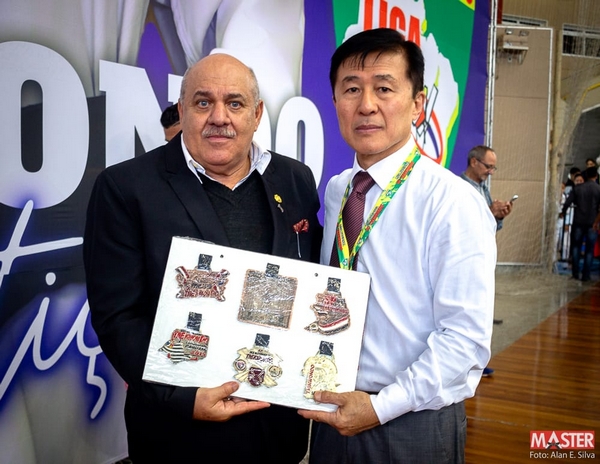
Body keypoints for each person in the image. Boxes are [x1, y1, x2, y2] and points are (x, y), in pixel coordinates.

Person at [84, 53, 322, 463]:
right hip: (179, 434)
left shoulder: (295, 178)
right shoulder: (125, 187)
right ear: (182, 110)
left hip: (277, 429)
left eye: (234, 103)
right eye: (203, 102)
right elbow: (117, 317)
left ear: (256, 114)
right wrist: (180, 397)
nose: (219, 117)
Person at [298, 28, 496, 463]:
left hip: (410, 420)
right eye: (351, 89)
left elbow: (464, 340)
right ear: (335, 101)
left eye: (384, 88)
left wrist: (380, 407)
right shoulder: (338, 190)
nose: (366, 105)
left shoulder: (451, 201)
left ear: (418, 103)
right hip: (333, 410)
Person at [559, 166, 600, 281]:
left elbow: (567, 203)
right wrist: (596, 222)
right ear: (596, 176)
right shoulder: (598, 189)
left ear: (586, 176)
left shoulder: (577, 188)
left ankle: (575, 274)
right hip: (592, 223)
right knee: (589, 250)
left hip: (578, 222)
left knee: (576, 247)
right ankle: (586, 275)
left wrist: (563, 213)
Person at [460, 145, 513, 231]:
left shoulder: (483, 188)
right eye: (488, 167)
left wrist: (498, 216)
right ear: (473, 162)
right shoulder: (458, 188)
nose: (491, 172)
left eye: (493, 168)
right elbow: (461, 224)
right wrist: (489, 213)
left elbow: (490, 229)